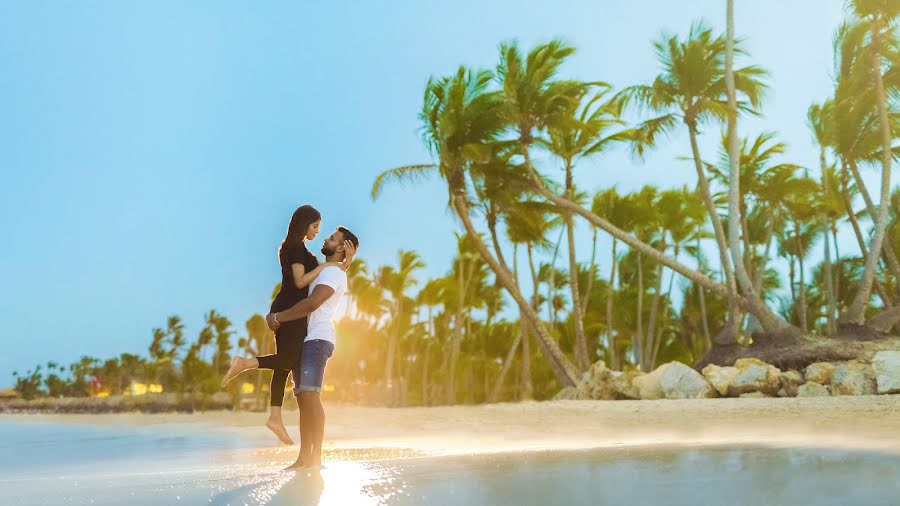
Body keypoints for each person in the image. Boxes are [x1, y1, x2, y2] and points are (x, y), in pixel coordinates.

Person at [220, 205, 355, 445]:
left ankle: (275, 417)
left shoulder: (296, 249)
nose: (318, 233)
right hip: (289, 309)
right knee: (289, 361)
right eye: (315, 227)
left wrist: (344, 262)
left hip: (287, 308)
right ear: (305, 224)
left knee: (284, 363)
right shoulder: (296, 248)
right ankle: (245, 363)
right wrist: (329, 265)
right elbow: (301, 281)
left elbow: (332, 274)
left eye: (324, 232)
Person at [266, 226, 359, 469]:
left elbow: (312, 303)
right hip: (307, 340)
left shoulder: (333, 275)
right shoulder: (329, 271)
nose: (326, 238)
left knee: (310, 396)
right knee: (303, 399)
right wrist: (345, 263)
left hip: (318, 339)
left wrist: (279, 318)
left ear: (340, 247)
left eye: (332, 238)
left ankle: (315, 459)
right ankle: (303, 458)